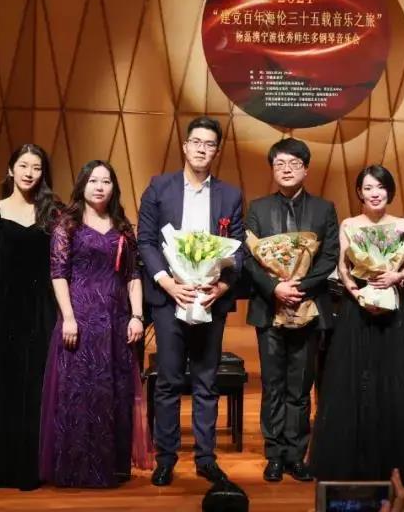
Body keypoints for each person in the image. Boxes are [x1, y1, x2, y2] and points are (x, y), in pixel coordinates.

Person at [138, 117, 246, 486]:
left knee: (206, 381)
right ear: (185, 146)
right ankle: (165, 458)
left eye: (209, 144)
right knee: (168, 381)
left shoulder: (230, 195)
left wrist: (222, 287)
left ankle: (205, 458)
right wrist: (168, 283)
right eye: (196, 142)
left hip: (210, 300)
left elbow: (239, 250)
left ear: (217, 151)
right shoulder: (159, 187)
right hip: (170, 298)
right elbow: (146, 241)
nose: (202, 149)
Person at [39, 160, 149, 487]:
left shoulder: (123, 227)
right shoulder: (67, 225)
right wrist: (68, 317)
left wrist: (137, 315)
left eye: (106, 181)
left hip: (116, 320)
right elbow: (59, 274)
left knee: (112, 392)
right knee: (78, 391)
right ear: (82, 185)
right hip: (81, 319)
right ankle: (76, 469)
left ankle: (110, 468)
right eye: (93, 181)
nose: (100, 187)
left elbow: (133, 274)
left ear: (114, 187)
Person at [309, 165, 404, 483]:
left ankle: (388, 461)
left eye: (380, 187)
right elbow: (344, 268)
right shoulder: (349, 224)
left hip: (392, 309)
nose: (375, 193)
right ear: (359, 192)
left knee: (390, 379)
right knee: (353, 379)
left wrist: (394, 276)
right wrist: (357, 293)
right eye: (368, 188)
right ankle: (350, 458)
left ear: (389, 191)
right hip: (356, 309)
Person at [244, 138, 339, 482]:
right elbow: (248, 259)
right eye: (279, 163)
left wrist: (300, 287)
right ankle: (274, 454)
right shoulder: (257, 208)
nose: (286, 169)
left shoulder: (324, 209)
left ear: (306, 169)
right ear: (273, 169)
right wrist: (275, 288)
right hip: (269, 309)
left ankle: (296, 454)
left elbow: (329, 256)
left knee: (300, 387)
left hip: (308, 306)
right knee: (273, 385)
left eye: (294, 163)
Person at [0, 144, 60, 489]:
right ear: (11, 170)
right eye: (23, 166)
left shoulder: (52, 211)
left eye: (36, 167)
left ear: (43, 173)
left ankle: (29, 468)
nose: (29, 173)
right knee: (1, 382)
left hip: (40, 306)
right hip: (2, 304)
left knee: (34, 383)